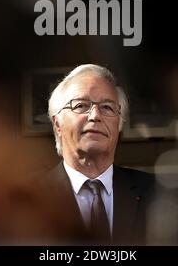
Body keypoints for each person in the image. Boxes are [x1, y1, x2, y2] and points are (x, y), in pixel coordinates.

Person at [36, 64, 155, 245]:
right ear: (58, 124)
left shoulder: (157, 194)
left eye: (107, 107)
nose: (95, 116)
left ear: (119, 125)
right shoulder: (28, 201)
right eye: (81, 105)